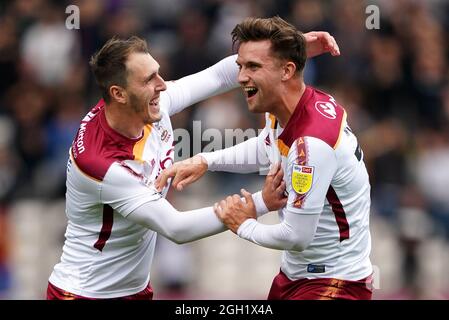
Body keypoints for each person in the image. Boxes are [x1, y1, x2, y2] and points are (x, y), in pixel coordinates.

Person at [47, 32, 339, 300]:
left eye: (158, 74)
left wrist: (291, 49)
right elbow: (177, 228)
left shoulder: (149, 105)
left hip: (132, 291)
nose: (162, 85)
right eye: (149, 79)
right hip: (84, 293)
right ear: (118, 93)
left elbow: (219, 76)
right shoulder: (102, 164)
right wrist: (259, 203)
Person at [156, 17, 373, 300]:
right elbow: (266, 147)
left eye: (253, 67)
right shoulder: (292, 107)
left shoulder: (311, 144)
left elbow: (296, 236)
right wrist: (206, 161)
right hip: (295, 276)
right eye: (241, 66)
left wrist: (243, 224)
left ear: (287, 71)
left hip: (335, 282)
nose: (241, 77)